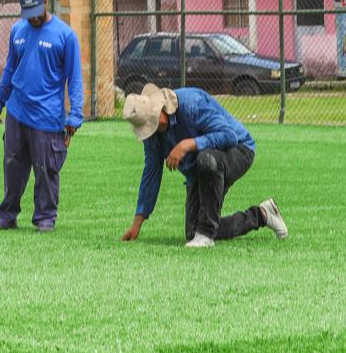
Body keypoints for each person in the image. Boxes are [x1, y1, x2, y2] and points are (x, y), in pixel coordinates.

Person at [120, 83, 289, 248]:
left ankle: (206, 235)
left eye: (155, 121)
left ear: (160, 107)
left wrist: (187, 144)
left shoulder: (191, 104)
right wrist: (137, 224)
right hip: (199, 169)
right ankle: (262, 215)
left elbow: (229, 135)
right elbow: (151, 174)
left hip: (239, 149)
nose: (157, 128)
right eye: (150, 127)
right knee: (193, 231)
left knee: (207, 159)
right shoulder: (152, 136)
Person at [0, 0, 84, 232]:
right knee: (12, 167)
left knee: (46, 169)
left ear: (44, 3)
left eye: (36, 11)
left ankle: (45, 219)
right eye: (28, 12)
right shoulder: (17, 31)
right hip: (16, 112)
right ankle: (7, 216)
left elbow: (74, 79)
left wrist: (75, 115)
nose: (33, 17)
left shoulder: (66, 36)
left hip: (47, 116)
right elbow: (10, 68)